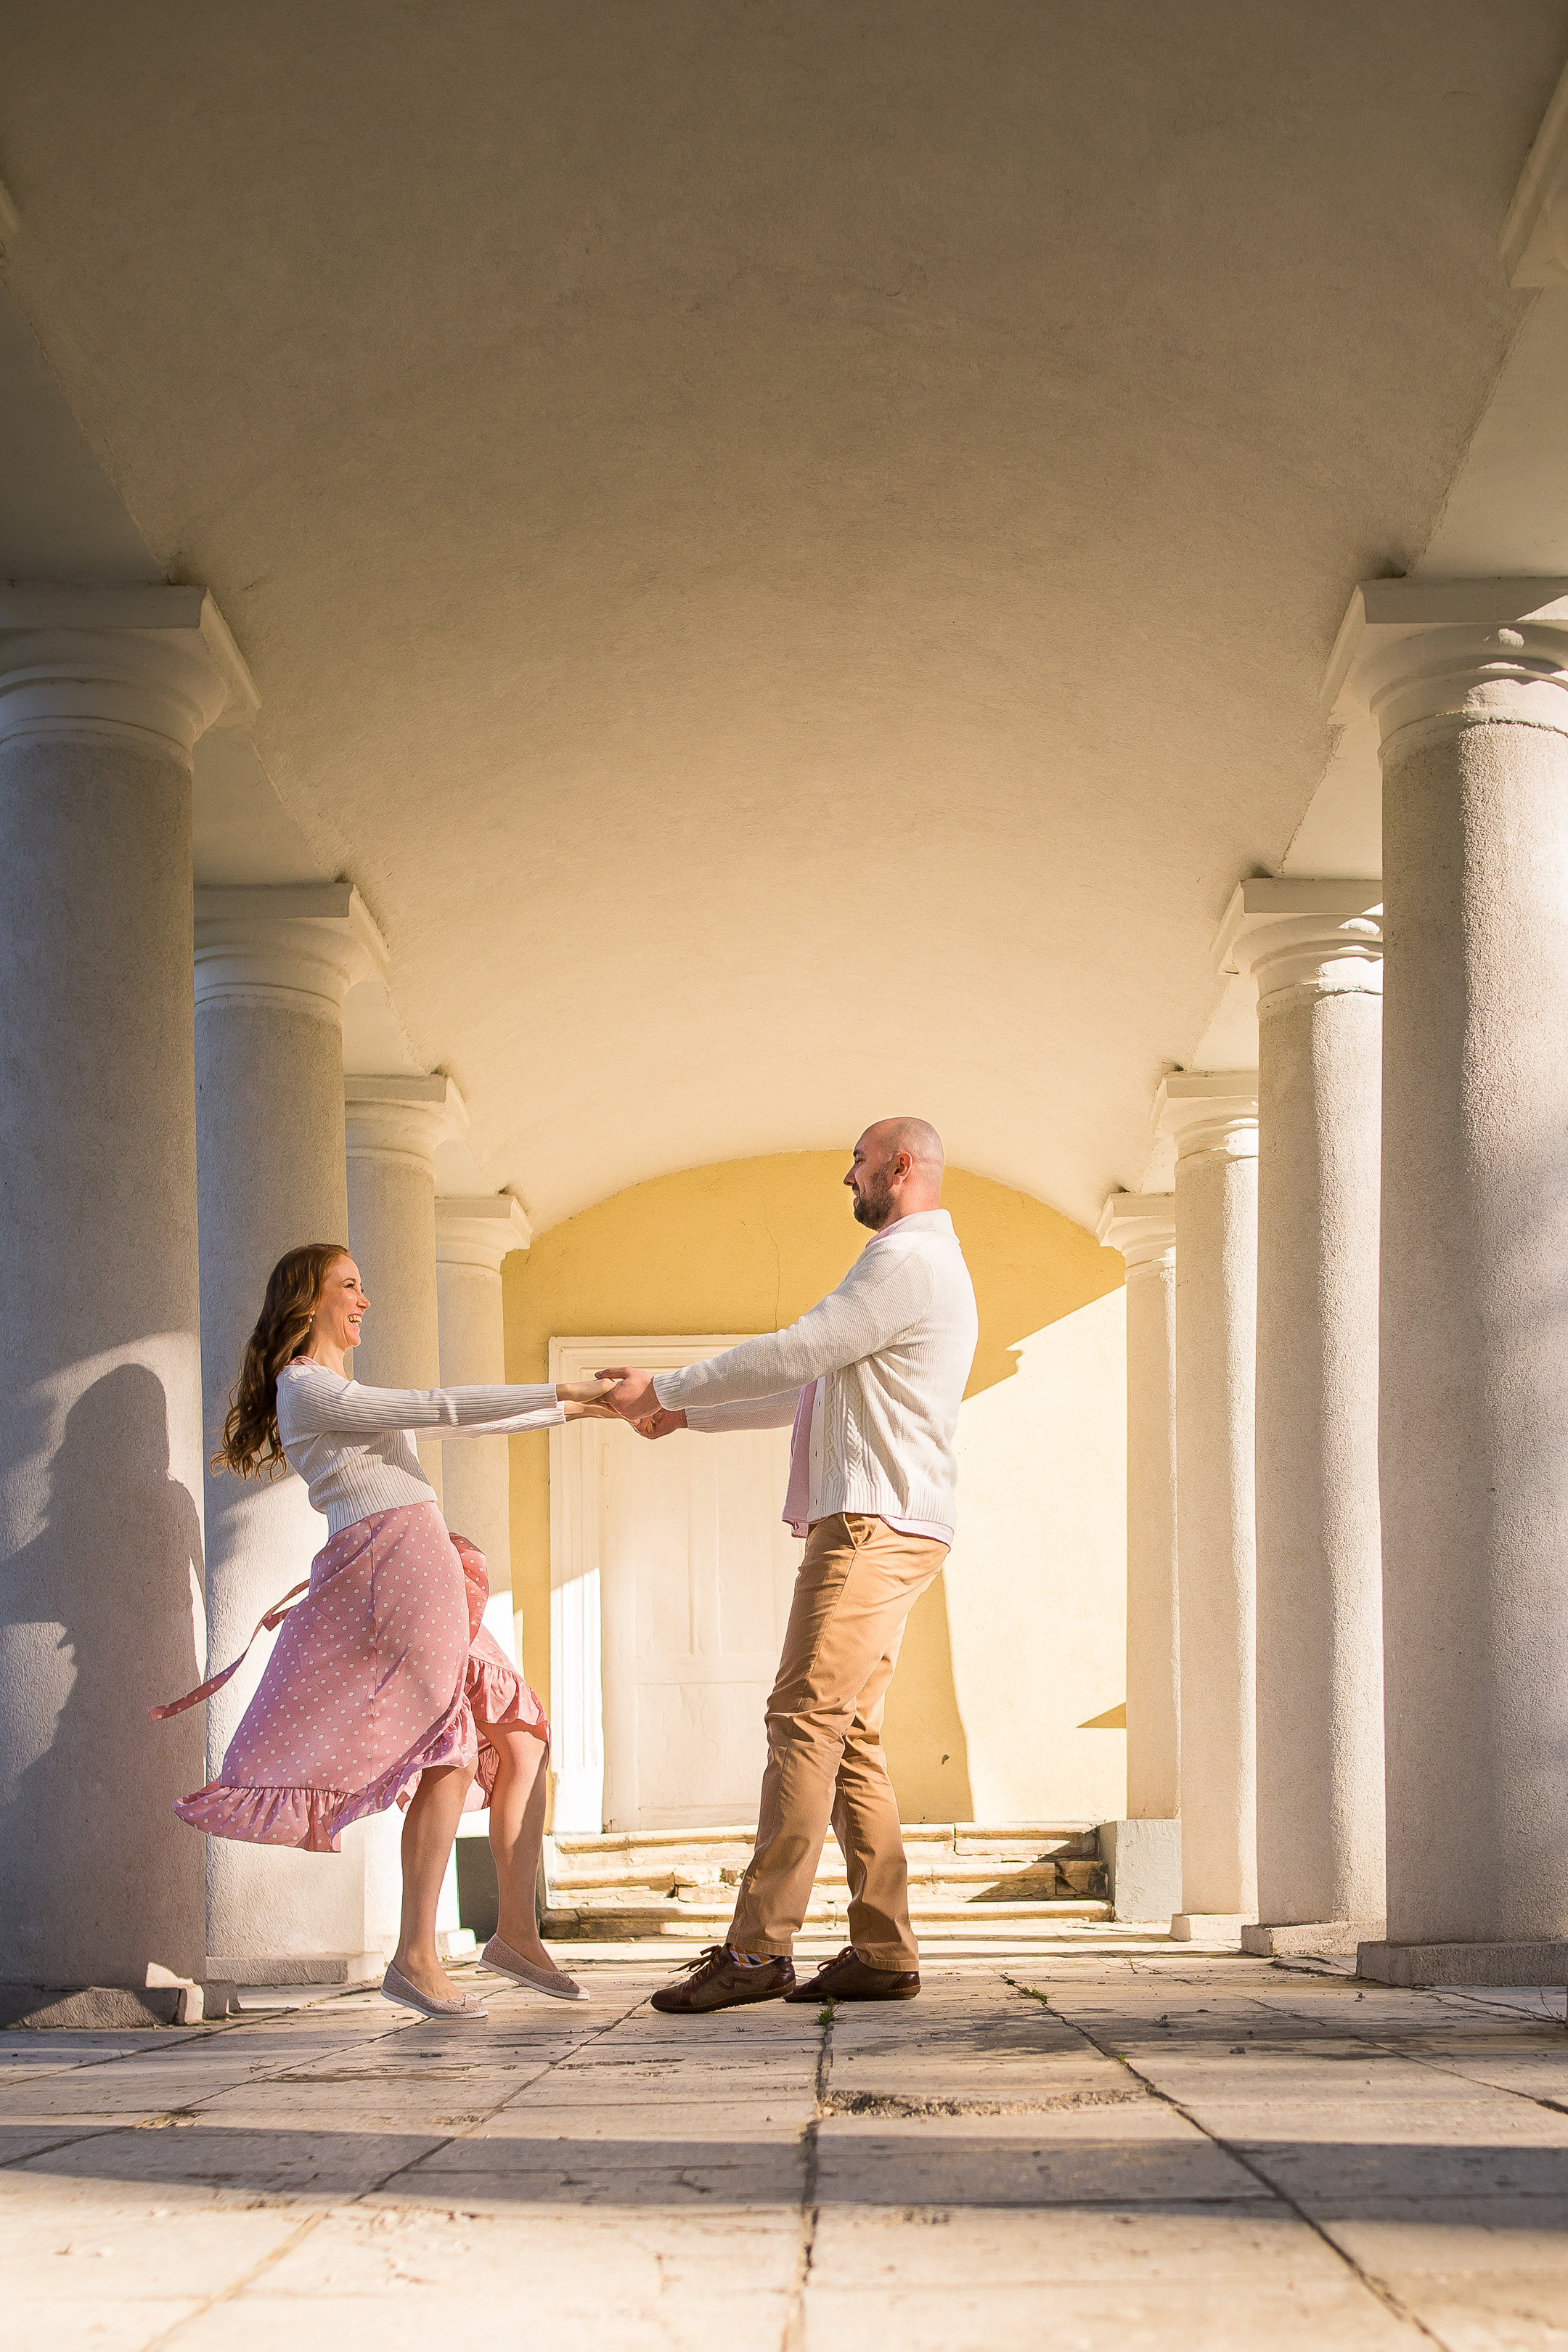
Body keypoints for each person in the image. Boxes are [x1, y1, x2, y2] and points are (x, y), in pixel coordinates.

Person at [158, 1241, 611, 2021]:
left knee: (522, 1730)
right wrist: (567, 1392)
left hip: (423, 1559)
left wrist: (574, 1408)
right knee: (451, 1746)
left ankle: (514, 1932)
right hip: (391, 1563)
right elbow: (439, 1408)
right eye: (349, 1286)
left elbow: (449, 1425)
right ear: (307, 1301)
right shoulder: (305, 1387)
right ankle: (414, 1956)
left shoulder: (339, 1388)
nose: (364, 1301)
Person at [600, 1117, 978, 2015]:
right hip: (897, 1522)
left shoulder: (904, 1259)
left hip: (871, 1525)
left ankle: (759, 1948)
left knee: (802, 1717)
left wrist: (670, 1385)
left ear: (898, 1165)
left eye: (855, 1163)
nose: (846, 1179)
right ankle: (884, 1951)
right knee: (848, 1734)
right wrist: (687, 1416)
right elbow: (811, 1384)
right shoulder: (916, 1267)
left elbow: (799, 1346)